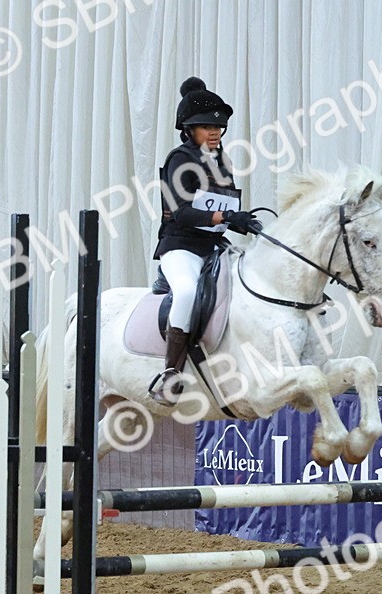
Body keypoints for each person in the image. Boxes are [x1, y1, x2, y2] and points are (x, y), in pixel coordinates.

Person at [148, 76, 263, 405]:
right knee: (185, 292)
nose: (215, 133)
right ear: (188, 129)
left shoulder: (222, 162)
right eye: (206, 127)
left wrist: (241, 221)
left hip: (214, 247)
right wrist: (227, 218)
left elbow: (223, 205)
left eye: (219, 128)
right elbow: (182, 212)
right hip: (180, 246)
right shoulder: (179, 160)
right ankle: (170, 373)